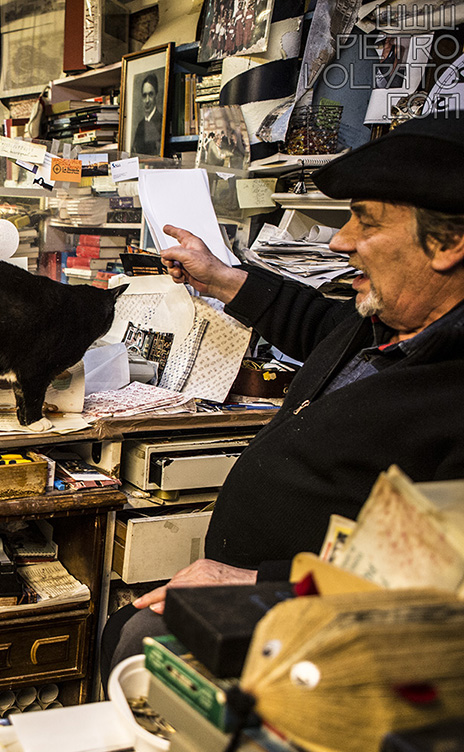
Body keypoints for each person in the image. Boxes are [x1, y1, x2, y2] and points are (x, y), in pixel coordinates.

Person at [101, 113, 464, 678]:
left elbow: (438, 582)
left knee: (141, 649)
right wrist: (216, 275)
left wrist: (261, 581)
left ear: (448, 244)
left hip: (322, 637)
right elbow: (316, 323)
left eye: (365, 222)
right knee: (126, 635)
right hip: (256, 590)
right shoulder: (385, 318)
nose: (342, 241)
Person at [130, 72, 162, 155]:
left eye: (150, 94)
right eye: (144, 96)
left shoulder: (162, 121)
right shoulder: (140, 125)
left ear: (156, 95)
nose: (147, 100)